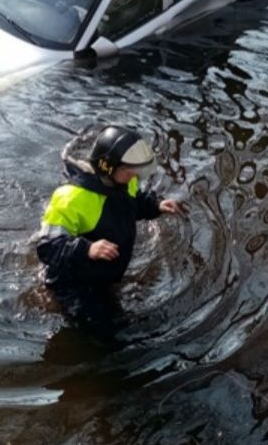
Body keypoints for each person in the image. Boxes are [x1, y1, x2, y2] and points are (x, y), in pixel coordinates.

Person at [36, 125, 185, 339]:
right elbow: (47, 247)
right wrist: (87, 249)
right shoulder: (70, 199)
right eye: (128, 170)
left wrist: (156, 205)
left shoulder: (125, 182)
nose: (135, 175)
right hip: (73, 284)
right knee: (107, 336)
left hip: (103, 273)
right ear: (107, 167)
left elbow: (134, 203)